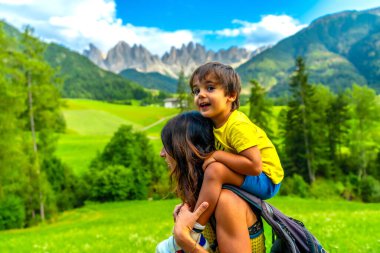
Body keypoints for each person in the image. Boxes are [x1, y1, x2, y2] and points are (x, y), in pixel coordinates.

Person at [187, 62, 284, 243]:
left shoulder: (236, 125)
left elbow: (255, 166)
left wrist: (218, 155)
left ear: (231, 95)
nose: (201, 95)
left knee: (215, 170)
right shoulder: (214, 123)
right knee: (208, 169)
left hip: (267, 178)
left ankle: (195, 229)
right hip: (250, 173)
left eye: (210, 88)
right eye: (196, 90)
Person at [156, 111, 265, 253]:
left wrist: (184, 239)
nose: (162, 153)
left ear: (185, 152)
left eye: (167, 146)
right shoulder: (204, 198)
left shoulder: (227, 202)